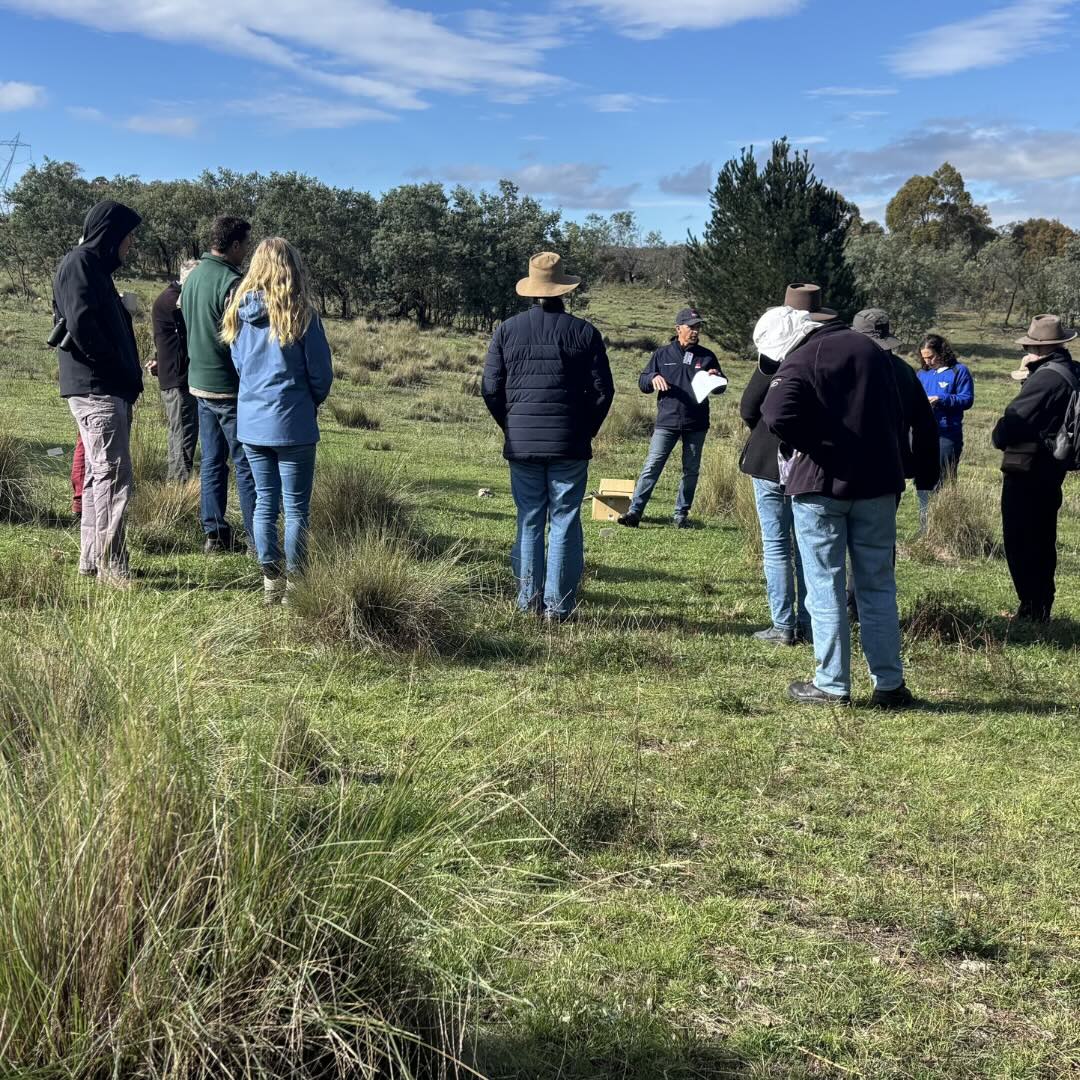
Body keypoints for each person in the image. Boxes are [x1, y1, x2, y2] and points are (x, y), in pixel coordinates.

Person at [761, 283, 912, 708]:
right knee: (878, 585)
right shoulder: (873, 352)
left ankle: (831, 683)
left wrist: (815, 444)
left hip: (822, 485)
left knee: (824, 584)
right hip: (879, 484)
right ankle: (889, 683)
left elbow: (776, 414)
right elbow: (896, 414)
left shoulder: (802, 357)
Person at [482, 251, 614, 622]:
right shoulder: (585, 332)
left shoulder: (507, 330)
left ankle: (528, 602)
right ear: (563, 291)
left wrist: (511, 426)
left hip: (522, 442)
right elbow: (604, 391)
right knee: (566, 519)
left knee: (529, 519)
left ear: (531, 291)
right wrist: (585, 429)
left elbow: (491, 388)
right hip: (569, 442)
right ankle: (558, 608)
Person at [222, 238, 333, 604]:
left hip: (252, 422)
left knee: (264, 501)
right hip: (293, 423)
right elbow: (320, 375)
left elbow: (239, 367)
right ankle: (297, 582)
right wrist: (308, 400)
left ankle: (271, 578)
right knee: (297, 506)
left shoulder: (239, 313)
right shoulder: (302, 315)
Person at [52, 199, 143, 586]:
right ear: (111, 234)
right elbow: (83, 325)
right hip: (97, 388)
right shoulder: (80, 265)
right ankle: (112, 566)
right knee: (113, 476)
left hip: (104, 387)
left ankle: (92, 560)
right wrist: (118, 369)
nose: (130, 246)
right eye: (127, 237)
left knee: (96, 475)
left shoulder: (93, 268)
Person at [738, 306, 817, 646]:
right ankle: (809, 620)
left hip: (768, 461)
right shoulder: (821, 358)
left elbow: (747, 407)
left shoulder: (771, 362)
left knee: (776, 544)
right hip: (809, 463)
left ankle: (782, 625)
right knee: (806, 546)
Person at [991, 314, 1078, 622]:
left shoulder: (1046, 378)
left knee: (1020, 539)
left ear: (1037, 347)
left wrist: (998, 432)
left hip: (1029, 468)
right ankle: (1039, 606)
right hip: (1053, 467)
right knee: (1042, 539)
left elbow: (1011, 425)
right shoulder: (1072, 370)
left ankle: (1031, 609)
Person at [183, 215, 255, 554]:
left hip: (199, 384)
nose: (248, 253)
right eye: (246, 246)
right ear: (236, 245)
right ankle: (259, 541)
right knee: (245, 464)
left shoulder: (194, 277)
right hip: (229, 386)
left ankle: (214, 533)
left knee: (211, 461)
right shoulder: (232, 283)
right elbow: (241, 339)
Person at [617, 307, 725, 529]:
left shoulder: (707, 356)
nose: (695, 331)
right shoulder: (662, 354)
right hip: (667, 421)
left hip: (696, 423)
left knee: (691, 470)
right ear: (678, 329)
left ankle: (681, 516)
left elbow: (721, 387)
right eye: (691, 327)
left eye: (698, 328)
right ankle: (635, 512)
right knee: (652, 465)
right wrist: (653, 377)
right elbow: (643, 382)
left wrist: (717, 377)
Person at [915, 333, 974, 531]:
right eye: (924, 357)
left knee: (944, 479)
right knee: (923, 479)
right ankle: (925, 528)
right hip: (923, 434)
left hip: (947, 434)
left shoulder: (959, 371)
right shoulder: (922, 374)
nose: (927, 361)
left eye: (931, 356)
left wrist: (942, 399)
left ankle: (944, 527)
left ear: (942, 352)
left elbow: (967, 399)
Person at [151, 259, 199, 483]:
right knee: (180, 433)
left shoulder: (174, 298)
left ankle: (180, 481)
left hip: (179, 375)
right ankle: (177, 487)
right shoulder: (174, 301)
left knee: (185, 431)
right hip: (177, 378)